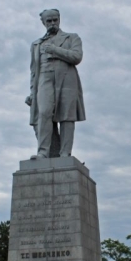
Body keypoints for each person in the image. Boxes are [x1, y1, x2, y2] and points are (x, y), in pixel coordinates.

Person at [25, 9, 86, 159]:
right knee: (44, 113)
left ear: (59, 20)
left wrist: (54, 50)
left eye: (55, 20)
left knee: (67, 116)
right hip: (44, 79)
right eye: (49, 21)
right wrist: (32, 93)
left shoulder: (72, 37)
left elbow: (77, 57)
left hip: (67, 78)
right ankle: (43, 152)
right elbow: (34, 71)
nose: (52, 23)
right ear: (43, 23)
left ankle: (65, 153)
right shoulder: (36, 45)